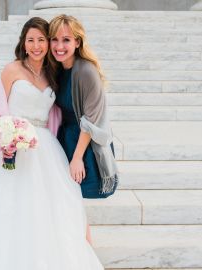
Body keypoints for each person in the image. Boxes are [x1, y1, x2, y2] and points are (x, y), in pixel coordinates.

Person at [0, 17, 103, 270]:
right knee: (8, 209)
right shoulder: (11, 70)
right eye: (30, 40)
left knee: (49, 210)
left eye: (41, 40)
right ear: (23, 42)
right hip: (14, 148)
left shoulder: (54, 74)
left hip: (46, 148)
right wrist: (6, 137)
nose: (36, 46)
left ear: (48, 43)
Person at [49, 15, 119, 244]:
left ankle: (84, 251)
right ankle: (76, 250)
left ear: (77, 42)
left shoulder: (86, 71)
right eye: (55, 39)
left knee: (73, 199)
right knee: (68, 200)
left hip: (83, 143)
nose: (60, 46)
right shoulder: (57, 70)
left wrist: (77, 158)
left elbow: (90, 121)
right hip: (65, 138)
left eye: (66, 40)